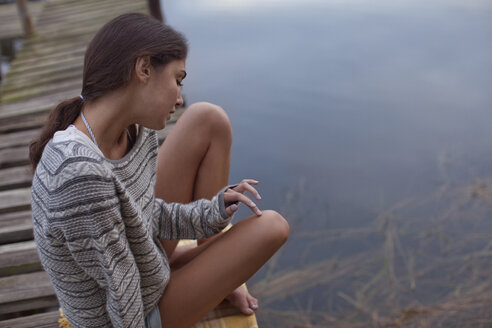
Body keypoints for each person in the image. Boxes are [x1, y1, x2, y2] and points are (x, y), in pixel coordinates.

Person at [29, 12, 289, 328]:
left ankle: (216, 269)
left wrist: (214, 209)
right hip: (126, 313)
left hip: (144, 263)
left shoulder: (135, 130)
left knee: (208, 117)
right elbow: (121, 289)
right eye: (177, 80)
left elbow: (149, 214)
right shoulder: (80, 174)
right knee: (273, 227)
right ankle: (211, 272)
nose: (180, 99)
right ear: (144, 69)